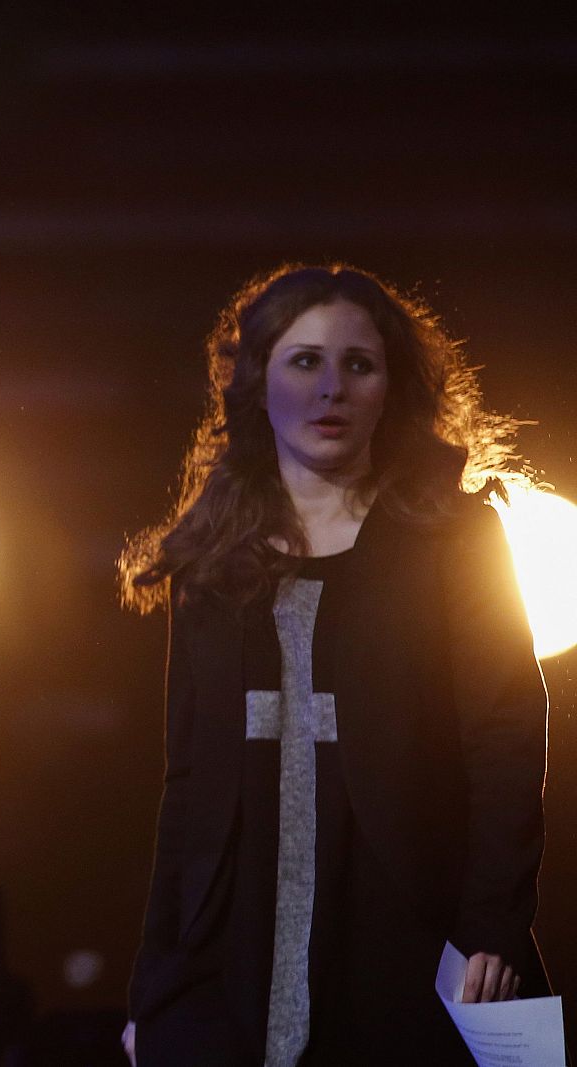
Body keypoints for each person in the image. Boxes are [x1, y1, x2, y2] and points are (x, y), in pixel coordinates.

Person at [116, 265, 548, 1065]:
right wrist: (153, 984)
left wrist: (493, 920)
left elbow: (506, 738)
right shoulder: (213, 565)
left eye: (359, 363)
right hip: (230, 948)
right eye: (304, 360)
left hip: (403, 926)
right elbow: (188, 787)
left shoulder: (453, 538)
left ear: (392, 386)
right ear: (257, 382)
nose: (332, 388)